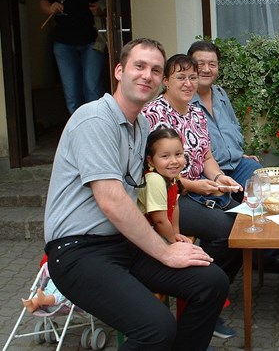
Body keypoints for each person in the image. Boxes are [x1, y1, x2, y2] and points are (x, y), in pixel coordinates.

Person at [44, 38, 229, 351]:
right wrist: (165, 251)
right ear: (119, 71)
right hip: (77, 251)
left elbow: (156, 187)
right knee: (156, 328)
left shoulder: (141, 125)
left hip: (121, 242)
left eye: (156, 70)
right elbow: (112, 199)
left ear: (160, 80)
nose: (147, 75)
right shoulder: (94, 119)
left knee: (211, 282)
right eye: (139, 66)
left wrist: (173, 237)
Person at [142, 53, 242, 339]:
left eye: (192, 77)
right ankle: (197, 300)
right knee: (226, 231)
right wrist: (190, 184)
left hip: (201, 189)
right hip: (171, 196)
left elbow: (207, 155)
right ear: (165, 81)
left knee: (246, 225)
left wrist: (218, 177)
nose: (188, 83)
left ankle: (208, 302)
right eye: (180, 77)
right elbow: (150, 167)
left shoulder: (196, 112)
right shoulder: (154, 114)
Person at [188, 40, 279, 275]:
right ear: (190, 66)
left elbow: (232, 125)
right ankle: (218, 271)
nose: (206, 69)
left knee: (272, 190)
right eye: (200, 64)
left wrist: (240, 151)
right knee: (240, 213)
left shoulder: (219, 93)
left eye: (212, 64)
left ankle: (266, 257)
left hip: (236, 163)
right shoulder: (184, 99)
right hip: (206, 172)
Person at [39, 0, 106, 114]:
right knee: (71, 92)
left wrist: (102, 8)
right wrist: (50, 8)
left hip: (93, 40)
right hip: (64, 41)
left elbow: (115, 2)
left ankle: (97, 128)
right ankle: (77, 134)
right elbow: (43, 3)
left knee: (92, 88)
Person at [138, 127, 189, 244]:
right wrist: (174, 245)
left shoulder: (172, 177)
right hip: (145, 239)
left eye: (178, 154)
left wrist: (175, 234)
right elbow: (159, 221)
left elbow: (174, 206)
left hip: (160, 235)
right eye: (165, 156)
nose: (174, 161)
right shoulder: (154, 179)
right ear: (150, 160)